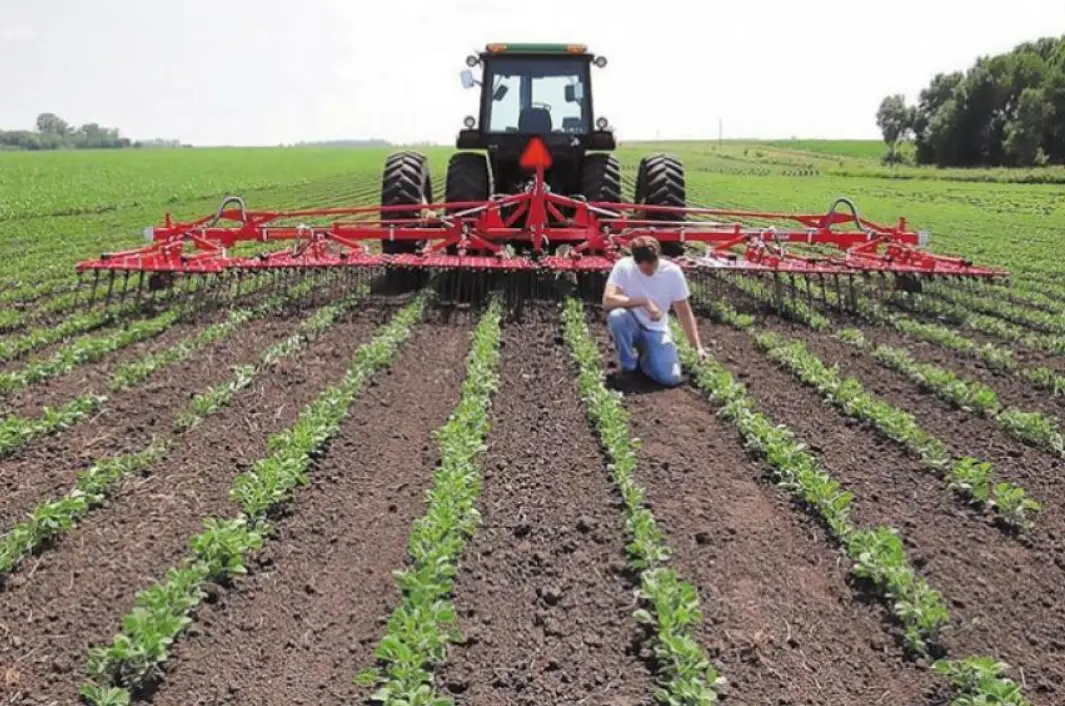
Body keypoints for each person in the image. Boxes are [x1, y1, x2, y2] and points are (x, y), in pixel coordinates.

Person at [601, 235, 707, 387]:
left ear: (658, 257)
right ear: (635, 261)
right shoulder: (624, 266)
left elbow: (684, 311)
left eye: (652, 266)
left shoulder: (672, 273)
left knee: (669, 379)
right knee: (617, 316)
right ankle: (628, 368)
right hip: (631, 324)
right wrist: (643, 301)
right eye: (644, 268)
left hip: (656, 329)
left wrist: (697, 347)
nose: (649, 271)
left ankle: (645, 359)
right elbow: (607, 301)